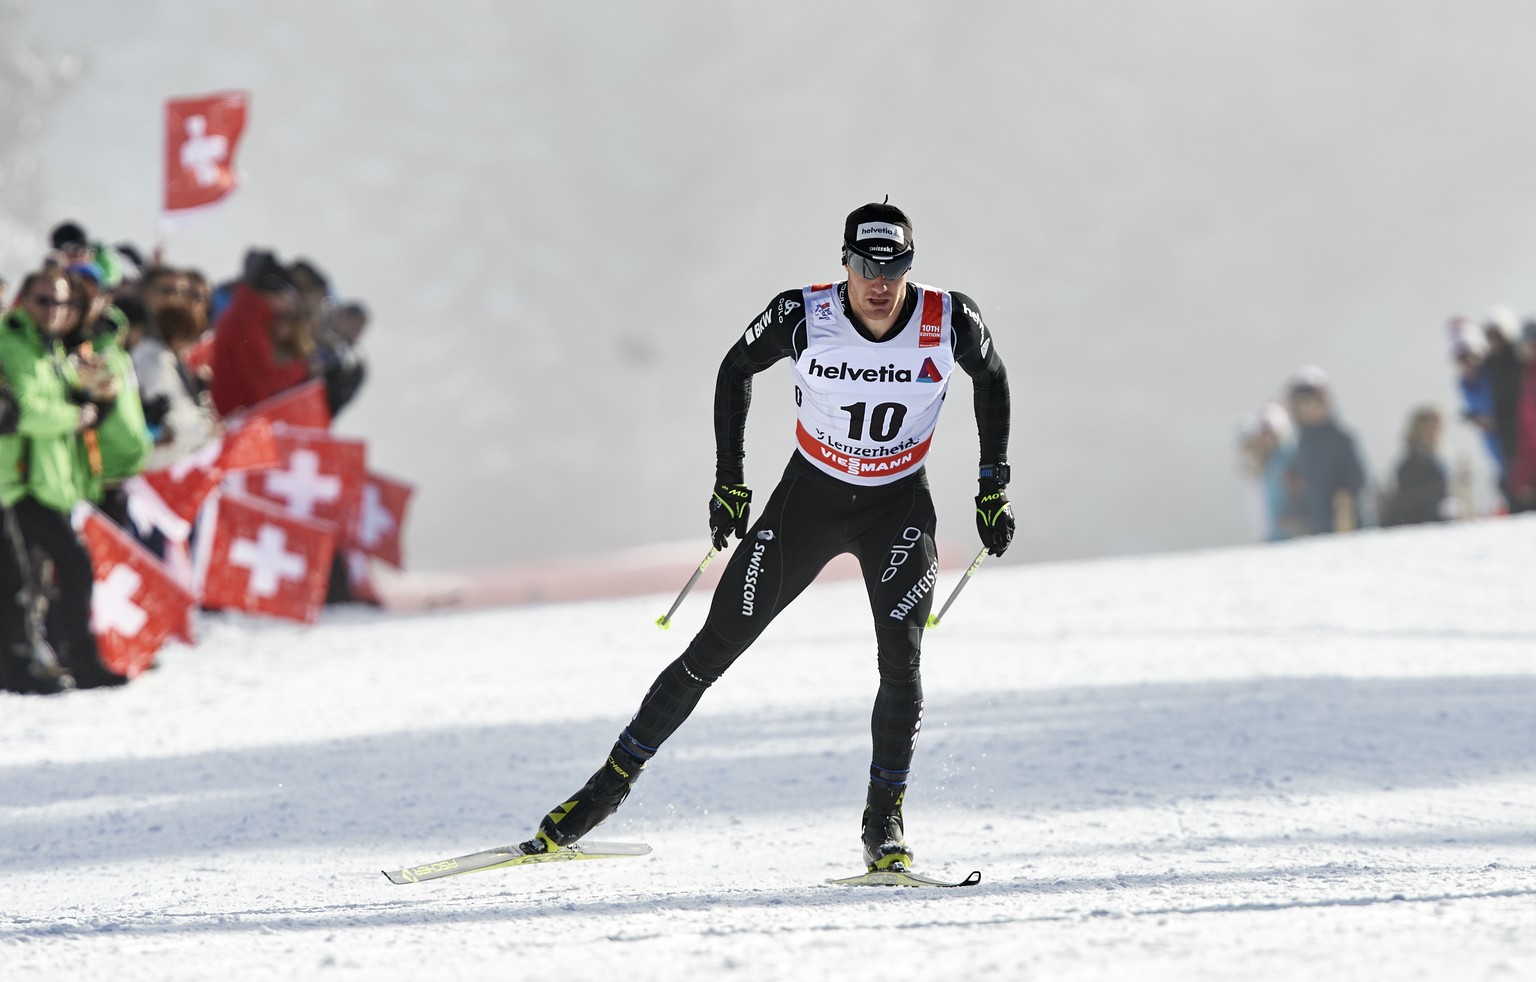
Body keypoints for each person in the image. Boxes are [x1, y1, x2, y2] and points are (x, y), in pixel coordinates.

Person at [520, 201, 1014, 872]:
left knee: (902, 664)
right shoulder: (802, 314)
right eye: (867, 266)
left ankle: (884, 822)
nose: (880, 283)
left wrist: (992, 486)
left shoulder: (947, 317)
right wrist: (731, 480)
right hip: (807, 503)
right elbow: (734, 370)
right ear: (844, 261)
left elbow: (993, 379)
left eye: (894, 268)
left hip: (896, 508)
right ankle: (602, 791)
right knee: (712, 650)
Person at [0, 268, 126, 689]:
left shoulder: (48, 348)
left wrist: (92, 395)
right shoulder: (15, 344)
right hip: (21, 481)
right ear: (23, 299)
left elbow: (61, 397)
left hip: (46, 480)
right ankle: (33, 665)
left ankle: (59, 658)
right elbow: (28, 413)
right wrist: (77, 415)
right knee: (28, 578)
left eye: (61, 303)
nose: (54, 311)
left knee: (46, 575)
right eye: (43, 300)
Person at [208, 250, 316, 416]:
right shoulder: (247, 323)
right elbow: (263, 380)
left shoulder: (250, 316)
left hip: (233, 412)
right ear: (274, 293)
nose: (289, 304)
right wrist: (302, 368)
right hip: (233, 415)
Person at [1284, 367, 1366, 534]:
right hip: (1312, 530)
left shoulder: (1341, 440)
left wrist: (1343, 505)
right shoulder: (1302, 444)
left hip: (1342, 530)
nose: (1306, 408)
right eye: (1301, 403)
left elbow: (1356, 480)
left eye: (1311, 401)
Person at [1380, 406, 1450, 526]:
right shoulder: (1414, 463)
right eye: (1432, 428)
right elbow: (1415, 502)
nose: (1436, 433)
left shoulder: (1434, 457)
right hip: (1417, 526)